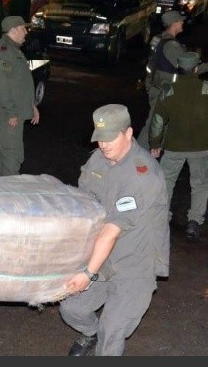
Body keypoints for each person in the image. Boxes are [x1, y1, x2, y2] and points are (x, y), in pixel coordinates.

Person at [59, 104, 170, 356]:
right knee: (72, 309)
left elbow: (111, 231)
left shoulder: (142, 175)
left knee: (112, 333)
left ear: (128, 133)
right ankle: (90, 333)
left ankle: (102, 338)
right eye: (100, 139)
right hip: (105, 257)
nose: (104, 145)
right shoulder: (99, 159)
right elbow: (84, 203)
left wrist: (87, 273)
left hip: (135, 264)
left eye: (110, 139)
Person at [148, 52, 208, 240]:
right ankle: (194, 221)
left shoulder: (169, 92)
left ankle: (161, 220)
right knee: (200, 184)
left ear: (179, 68)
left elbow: (157, 121)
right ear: (195, 69)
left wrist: (155, 144)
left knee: (166, 182)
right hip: (200, 148)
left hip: (173, 147)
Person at [136, 10, 208, 148]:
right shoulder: (171, 45)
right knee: (155, 123)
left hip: (156, 86)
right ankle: (139, 155)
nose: (183, 22)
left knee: (163, 122)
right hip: (163, 90)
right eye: (180, 21)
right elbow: (186, 69)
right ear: (174, 23)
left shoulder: (158, 38)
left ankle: (153, 152)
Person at [0, 15, 40, 176]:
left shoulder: (12, 50)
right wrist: (11, 112)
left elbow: (19, 84)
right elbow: (2, 86)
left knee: (1, 153)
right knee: (12, 155)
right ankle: (11, 193)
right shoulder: (4, 52)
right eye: (23, 28)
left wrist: (32, 106)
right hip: (8, 115)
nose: (26, 32)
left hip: (14, 111)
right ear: (14, 30)